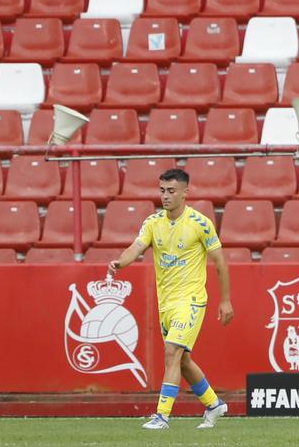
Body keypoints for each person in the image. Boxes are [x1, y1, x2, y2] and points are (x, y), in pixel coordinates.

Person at [105, 167, 233, 431]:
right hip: (167, 303)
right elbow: (136, 247)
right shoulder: (153, 223)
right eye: (162, 190)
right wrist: (121, 263)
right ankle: (213, 404)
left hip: (192, 299)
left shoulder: (200, 223)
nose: (165, 196)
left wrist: (226, 300)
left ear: (185, 193)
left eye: (171, 191)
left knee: (172, 352)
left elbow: (220, 261)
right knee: (182, 360)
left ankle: (162, 415)